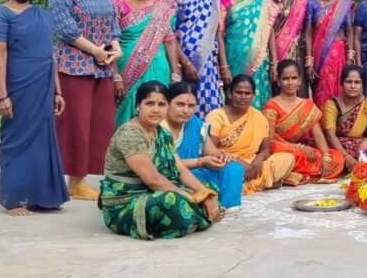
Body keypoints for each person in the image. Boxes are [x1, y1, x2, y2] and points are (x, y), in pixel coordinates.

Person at [0, 0, 69, 215]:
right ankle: (14, 199)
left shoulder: (43, 14)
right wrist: (3, 95)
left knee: (42, 140)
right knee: (16, 140)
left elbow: (51, 55)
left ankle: (40, 196)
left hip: (44, 84)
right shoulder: (1, 14)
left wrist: (58, 91)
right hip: (18, 84)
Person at [99, 81, 222, 240]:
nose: (156, 110)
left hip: (151, 192)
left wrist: (204, 194)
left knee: (210, 189)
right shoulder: (130, 134)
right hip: (125, 202)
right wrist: (190, 198)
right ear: (138, 106)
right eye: (149, 103)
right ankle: (197, 218)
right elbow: (152, 179)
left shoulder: (161, 132)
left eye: (162, 104)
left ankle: (193, 218)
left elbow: (180, 169)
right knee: (172, 200)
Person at [49, 0, 122, 200]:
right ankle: (74, 180)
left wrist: (116, 47)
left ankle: (89, 176)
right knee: (75, 124)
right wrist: (94, 50)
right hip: (74, 65)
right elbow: (65, 28)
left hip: (103, 66)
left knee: (101, 123)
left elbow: (113, 19)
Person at [114, 0, 181, 126]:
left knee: (157, 107)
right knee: (127, 109)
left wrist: (175, 73)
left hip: (158, 67)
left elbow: (170, 42)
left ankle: (154, 150)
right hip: (125, 67)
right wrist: (115, 76)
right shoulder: (117, 5)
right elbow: (110, 41)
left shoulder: (162, 9)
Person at [206, 75, 296, 193]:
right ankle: (254, 183)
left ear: (253, 96)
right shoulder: (216, 116)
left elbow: (265, 148)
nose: (243, 97)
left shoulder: (258, 117)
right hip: (226, 162)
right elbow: (211, 151)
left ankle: (243, 184)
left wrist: (259, 159)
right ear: (230, 93)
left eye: (247, 93)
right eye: (238, 92)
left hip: (252, 164)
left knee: (287, 158)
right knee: (227, 170)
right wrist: (237, 161)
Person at [162, 81, 245, 209]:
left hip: (195, 173)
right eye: (180, 104)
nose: (186, 110)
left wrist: (220, 157)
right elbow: (162, 166)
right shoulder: (158, 126)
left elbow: (212, 151)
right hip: (170, 177)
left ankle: (226, 207)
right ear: (167, 103)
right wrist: (200, 162)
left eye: (191, 106)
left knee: (234, 168)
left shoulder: (195, 123)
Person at [264, 60, 345, 184]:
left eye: (294, 78)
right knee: (281, 153)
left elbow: (318, 135)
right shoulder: (271, 106)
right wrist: (299, 147)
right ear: (279, 82)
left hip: (301, 152)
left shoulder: (306, 104)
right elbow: (270, 139)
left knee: (337, 158)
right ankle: (291, 173)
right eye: (285, 79)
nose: (290, 82)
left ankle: (291, 174)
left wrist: (326, 157)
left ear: (300, 80)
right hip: (281, 149)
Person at [175, 0, 231, 117]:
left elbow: (217, 35)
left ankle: (208, 142)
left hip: (207, 64)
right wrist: (185, 63)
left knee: (210, 108)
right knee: (183, 107)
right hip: (180, 63)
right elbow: (168, 34)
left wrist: (224, 66)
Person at [222, 0, 278, 108]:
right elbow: (219, 35)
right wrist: (223, 66)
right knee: (235, 97)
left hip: (259, 62)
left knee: (258, 97)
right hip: (233, 59)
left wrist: (274, 63)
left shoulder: (262, 1)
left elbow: (269, 32)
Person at [305, 0, 355, 108]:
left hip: (339, 55)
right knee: (320, 92)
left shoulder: (345, 4)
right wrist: (309, 61)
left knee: (340, 90)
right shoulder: (312, 3)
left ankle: (337, 126)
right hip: (319, 55)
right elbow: (308, 31)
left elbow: (350, 31)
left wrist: (350, 56)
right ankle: (321, 126)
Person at [323, 66, 367, 170]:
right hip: (337, 147)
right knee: (327, 159)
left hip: (363, 145)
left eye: (357, 82)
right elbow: (330, 135)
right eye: (348, 82)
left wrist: (366, 141)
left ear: (363, 86)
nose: (353, 86)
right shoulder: (331, 104)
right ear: (341, 84)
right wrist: (346, 156)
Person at [265, 0, 310, 97]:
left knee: (298, 91)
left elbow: (306, 30)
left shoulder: (300, 1)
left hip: (296, 54)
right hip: (271, 55)